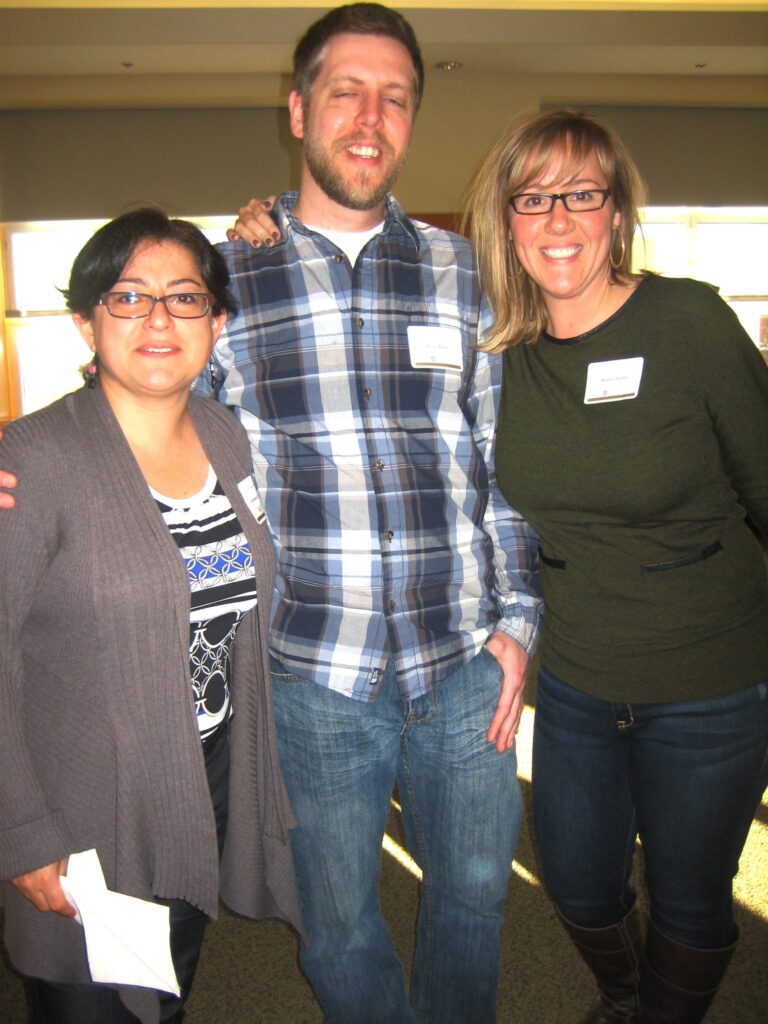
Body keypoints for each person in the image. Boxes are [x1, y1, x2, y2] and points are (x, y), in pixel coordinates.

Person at [200, 5, 541, 1024]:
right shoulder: (224, 278)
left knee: (476, 899)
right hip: (314, 674)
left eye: (395, 97)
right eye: (345, 91)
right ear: (298, 109)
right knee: (338, 924)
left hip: (465, 663)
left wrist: (519, 621)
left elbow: (502, 463)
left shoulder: (465, 272)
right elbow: (144, 415)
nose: (370, 116)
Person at [466, 108, 768, 1024]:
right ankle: (626, 993)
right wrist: (268, 225)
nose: (559, 220)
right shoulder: (503, 351)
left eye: (582, 195)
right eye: (534, 199)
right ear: (507, 222)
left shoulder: (688, 320)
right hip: (579, 679)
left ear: (618, 211)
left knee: (690, 892)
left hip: (710, 678)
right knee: (578, 878)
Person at [0, 208, 301, 1024]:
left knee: (167, 987)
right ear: (85, 322)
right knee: (90, 1002)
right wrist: (21, 830)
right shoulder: (33, 459)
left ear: (217, 322)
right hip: (85, 803)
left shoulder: (225, 435)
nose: (159, 319)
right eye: (129, 297)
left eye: (185, 297)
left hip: (202, 784)